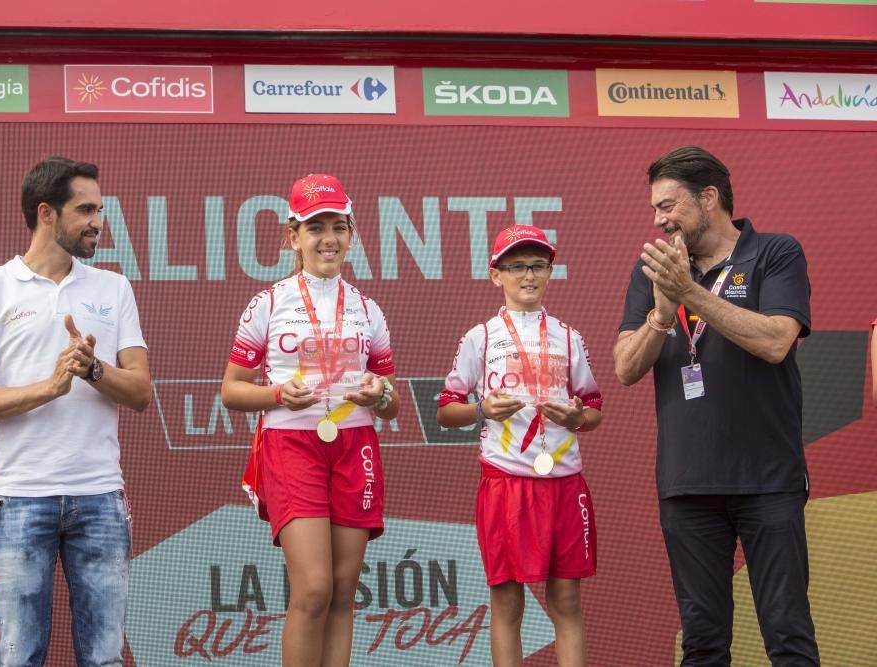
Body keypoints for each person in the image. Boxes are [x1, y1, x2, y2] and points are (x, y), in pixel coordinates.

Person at [613, 146, 819, 666]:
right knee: (702, 644)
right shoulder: (653, 271)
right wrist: (662, 315)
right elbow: (625, 368)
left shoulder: (775, 252)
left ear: (709, 198)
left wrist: (691, 294)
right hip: (688, 485)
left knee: (788, 636)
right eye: (655, 209)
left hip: (768, 479)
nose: (659, 220)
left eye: (669, 206)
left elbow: (776, 341)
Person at [0, 158, 151, 666]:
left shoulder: (114, 287)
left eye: (99, 210)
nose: (97, 222)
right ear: (46, 213)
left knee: (105, 658)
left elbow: (141, 391)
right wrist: (51, 385)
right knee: (19, 657)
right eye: (85, 209)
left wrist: (92, 371)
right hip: (19, 498)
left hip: (100, 496)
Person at [221, 174, 398, 667]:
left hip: (355, 443)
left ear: (351, 234)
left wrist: (378, 391)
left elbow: (393, 400)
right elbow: (231, 391)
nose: (328, 238)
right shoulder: (268, 303)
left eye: (338, 226)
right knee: (314, 588)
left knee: (343, 591)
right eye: (315, 226)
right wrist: (278, 394)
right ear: (291, 236)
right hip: (291, 444)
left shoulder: (368, 309)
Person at [436, 225, 603, 667]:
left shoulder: (569, 336)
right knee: (508, 604)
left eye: (538, 266)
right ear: (496, 275)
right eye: (517, 267)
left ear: (549, 272)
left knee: (566, 602)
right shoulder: (481, 337)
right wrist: (482, 410)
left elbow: (594, 409)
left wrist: (577, 418)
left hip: (565, 484)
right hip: (507, 484)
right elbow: (446, 408)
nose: (528, 276)